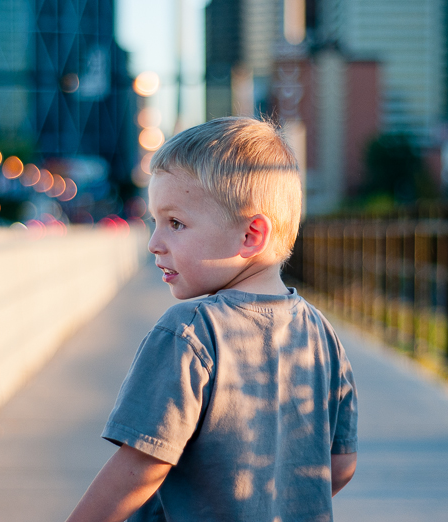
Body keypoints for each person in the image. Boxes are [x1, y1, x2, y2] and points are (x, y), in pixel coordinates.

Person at [66, 117, 358, 522]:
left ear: (250, 235)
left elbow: (140, 468)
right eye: (154, 222)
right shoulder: (322, 333)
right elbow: (340, 465)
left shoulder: (189, 331)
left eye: (176, 223)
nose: (154, 243)